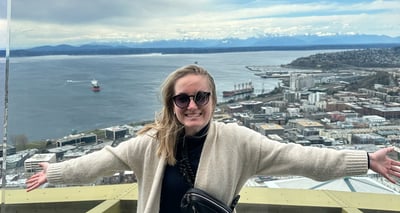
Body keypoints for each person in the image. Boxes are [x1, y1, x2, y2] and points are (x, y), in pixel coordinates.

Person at [27, 64, 400, 212]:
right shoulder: (150, 142)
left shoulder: (238, 141)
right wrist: (55, 172)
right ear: (171, 103)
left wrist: (366, 160)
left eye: (201, 96)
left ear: (213, 99)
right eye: (183, 98)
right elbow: (101, 162)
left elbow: (302, 158)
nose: (192, 105)